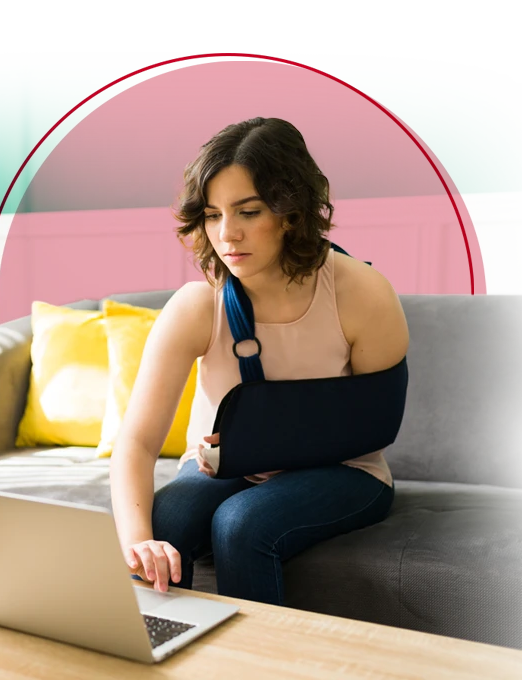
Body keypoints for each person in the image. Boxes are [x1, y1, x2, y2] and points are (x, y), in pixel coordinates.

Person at [109, 117, 409, 606]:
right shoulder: (196, 306)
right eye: (212, 214)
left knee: (240, 524)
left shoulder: (363, 295)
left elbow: (376, 424)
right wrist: (137, 542)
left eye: (247, 212)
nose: (227, 235)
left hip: (348, 472)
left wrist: (265, 443)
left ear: (291, 212)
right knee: (166, 521)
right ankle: (158, 649)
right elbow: (137, 443)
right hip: (224, 469)